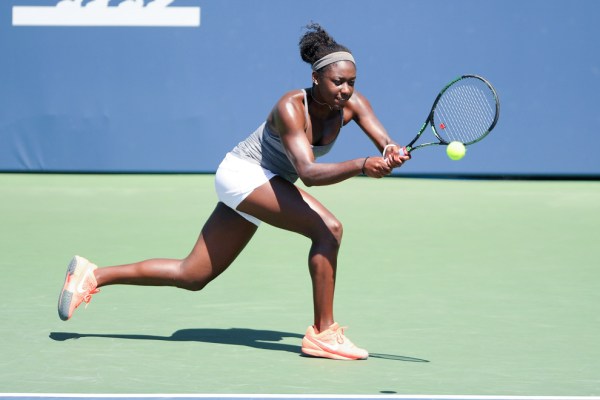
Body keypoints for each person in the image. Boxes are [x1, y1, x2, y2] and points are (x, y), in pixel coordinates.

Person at [57, 22, 410, 361]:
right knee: (328, 229)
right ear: (315, 77)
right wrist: (362, 165)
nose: (345, 90)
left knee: (192, 275)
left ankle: (94, 274)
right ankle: (323, 333)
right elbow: (309, 173)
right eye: (337, 82)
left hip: (268, 182)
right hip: (244, 174)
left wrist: (391, 150)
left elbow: (384, 142)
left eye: (351, 82)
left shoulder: (352, 103)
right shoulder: (290, 107)